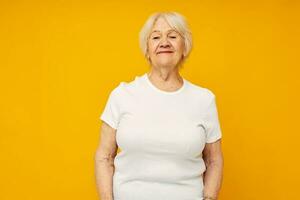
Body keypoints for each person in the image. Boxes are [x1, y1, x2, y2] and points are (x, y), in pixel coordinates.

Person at [94, 11, 224, 200]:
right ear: (147, 49)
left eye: (172, 36)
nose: (164, 42)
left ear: (184, 47)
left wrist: (210, 198)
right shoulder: (122, 95)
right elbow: (104, 157)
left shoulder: (204, 100)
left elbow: (214, 160)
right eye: (156, 37)